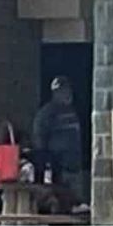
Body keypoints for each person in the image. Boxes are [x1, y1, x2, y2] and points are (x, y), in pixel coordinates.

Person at [32, 76, 86, 206]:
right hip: (58, 170)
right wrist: (47, 165)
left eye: (67, 90)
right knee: (60, 203)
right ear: (55, 93)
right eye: (62, 91)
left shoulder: (73, 111)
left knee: (77, 204)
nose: (66, 94)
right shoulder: (46, 114)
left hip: (75, 169)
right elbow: (39, 140)